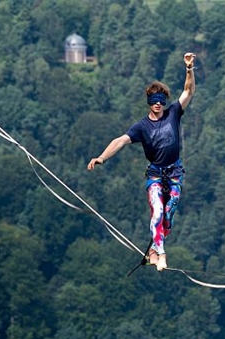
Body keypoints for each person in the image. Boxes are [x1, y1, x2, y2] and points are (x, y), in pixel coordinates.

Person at [87, 52, 197, 271]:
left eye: (161, 101)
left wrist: (189, 69)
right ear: (149, 103)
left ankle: (154, 251)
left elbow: (188, 91)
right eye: (154, 101)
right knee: (157, 212)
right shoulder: (141, 127)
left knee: (167, 216)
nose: (158, 105)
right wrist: (101, 157)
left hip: (174, 173)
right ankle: (161, 254)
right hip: (155, 174)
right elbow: (120, 141)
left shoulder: (173, 113)